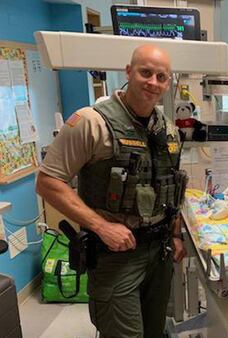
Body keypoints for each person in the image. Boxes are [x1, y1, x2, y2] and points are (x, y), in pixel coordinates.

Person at [36, 45, 187, 338]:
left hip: (159, 254)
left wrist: (176, 234)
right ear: (128, 72)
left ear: (168, 83)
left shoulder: (167, 130)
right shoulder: (91, 122)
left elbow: (172, 187)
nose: (153, 82)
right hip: (115, 256)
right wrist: (102, 227)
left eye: (161, 76)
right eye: (145, 72)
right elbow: (48, 182)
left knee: (154, 332)